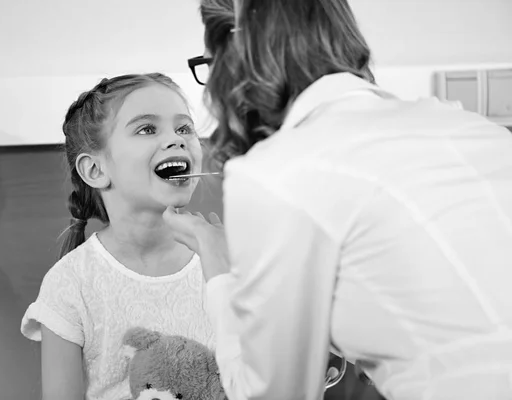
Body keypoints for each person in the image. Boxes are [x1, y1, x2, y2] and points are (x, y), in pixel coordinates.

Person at [163, 0, 512, 399]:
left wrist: (215, 259)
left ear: (236, 59)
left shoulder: (278, 171)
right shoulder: (475, 130)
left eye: (211, 66)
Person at [20, 73, 216, 400]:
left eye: (184, 128)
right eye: (147, 129)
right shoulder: (70, 284)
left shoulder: (222, 259)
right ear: (96, 170)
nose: (177, 139)